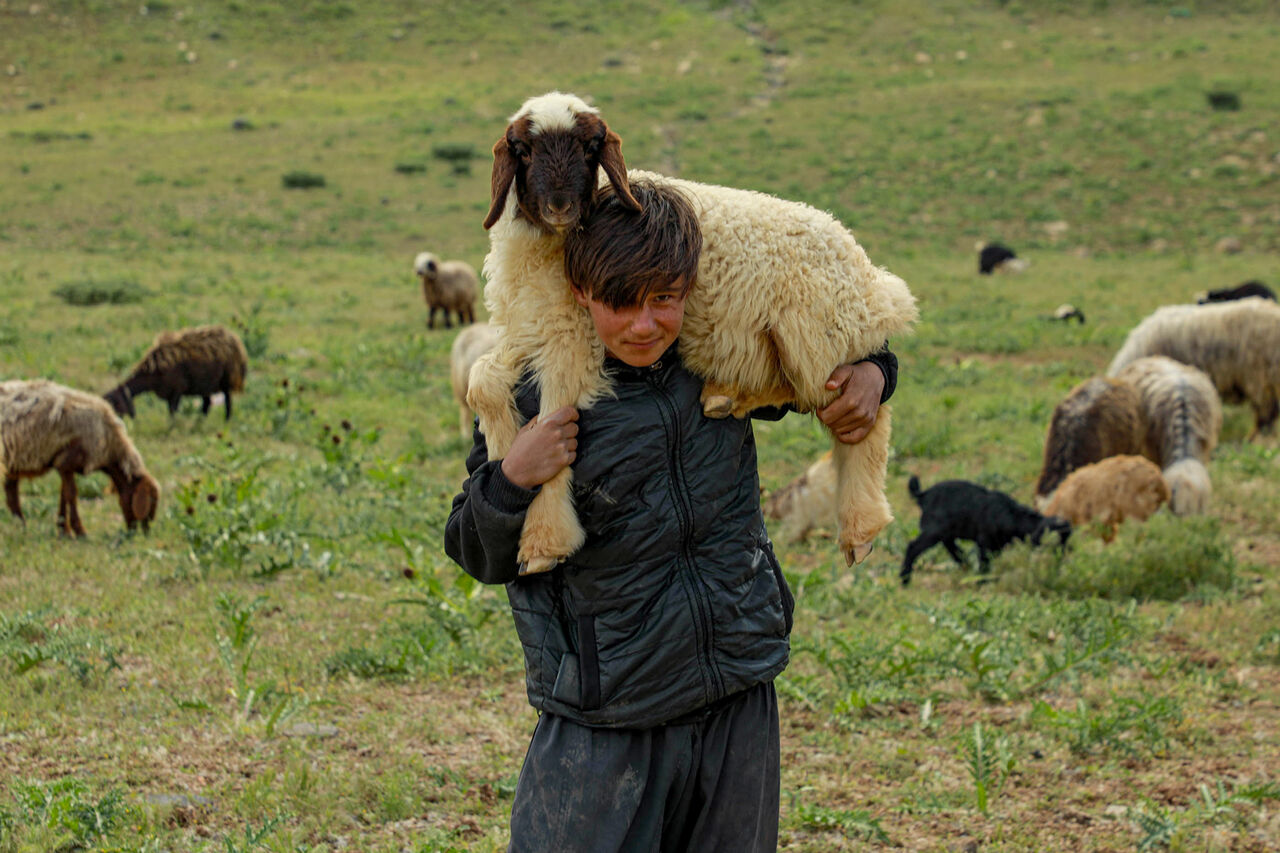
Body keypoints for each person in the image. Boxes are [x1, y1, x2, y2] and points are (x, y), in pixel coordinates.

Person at [444, 179, 898, 852]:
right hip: (608, 718)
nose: (645, 324)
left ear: (691, 287)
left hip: (736, 693)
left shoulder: (717, 360)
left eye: (664, 299)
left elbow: (835, 363)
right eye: (621, 303)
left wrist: (877, 372)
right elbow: (472, 548)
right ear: (580, 291)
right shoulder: (538, 389)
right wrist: (514, 476)